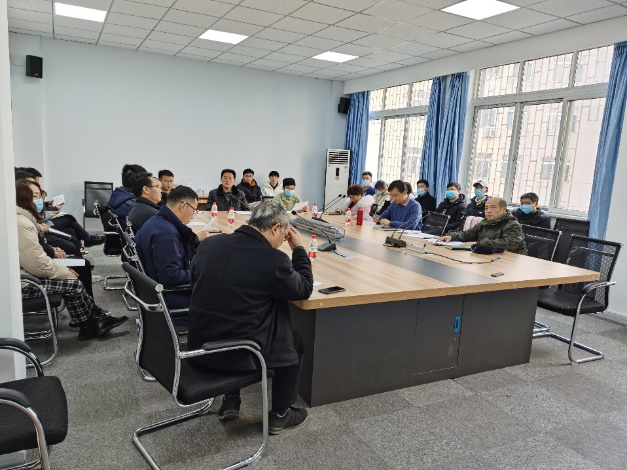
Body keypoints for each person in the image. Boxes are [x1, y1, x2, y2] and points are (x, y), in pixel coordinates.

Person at [188, 202, 313, 434]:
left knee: (237, 310)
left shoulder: (209, 244)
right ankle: (281, 414)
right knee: (293, 340)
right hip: (237, 354)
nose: (282, 241)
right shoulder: (273, 259)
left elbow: (195, 282)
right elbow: (304, 288)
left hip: (200, 345)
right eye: (284, 235)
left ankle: (231, 399)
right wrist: (298, 250)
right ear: (275, 228)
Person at [16, 182, 127, 340]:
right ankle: (90, 324)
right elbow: (37, 263)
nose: (39, 200)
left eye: (40, 196)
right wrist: (63, 271)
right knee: (73, 282)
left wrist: (54, 257)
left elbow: (35, 255)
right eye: (35, 196)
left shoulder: (25, 220)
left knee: (77, 266)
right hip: (23, 282)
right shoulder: (23, 223)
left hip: (27, 272)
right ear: (23, 199)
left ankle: (93, 320)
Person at [135, 185, 209, 310]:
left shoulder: (157, 221)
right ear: (183, 206)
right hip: (170, 295)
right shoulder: (167, 234)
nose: (193, 216)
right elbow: (170, 276)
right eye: (194, 210)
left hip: (153, 289)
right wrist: (200, 272)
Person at [437, 197, 527, 255]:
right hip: (490, 257)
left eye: (493, 207)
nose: (488, 211)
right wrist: (451, 236)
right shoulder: (485, 222)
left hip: (513, 261)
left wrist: (479, 243)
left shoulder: (512, 224)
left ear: (503, 210)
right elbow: (468, 234)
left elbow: (508, 243)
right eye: (486, 208)